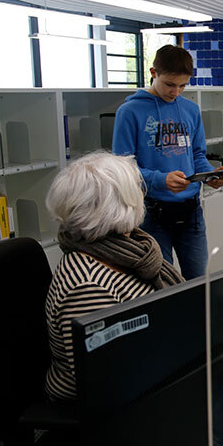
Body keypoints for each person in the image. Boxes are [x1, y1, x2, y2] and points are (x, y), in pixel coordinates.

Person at [44, 152, 185, 400]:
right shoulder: (87, 284)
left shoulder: (132, 249)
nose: (141, 197)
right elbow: (109, 381)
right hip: (118, 408)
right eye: (135, 191)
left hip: (151, 367)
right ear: (120, 205)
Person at [113, 44, 223, 281]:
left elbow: (197, 154)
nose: (176, 92)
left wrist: (209, 175)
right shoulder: (130, 111)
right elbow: (122, 168)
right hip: (151, 212)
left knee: (199, 280)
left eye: (183, 86)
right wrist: (159, 180)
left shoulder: (191, 109)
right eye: (169, 84)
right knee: (163, 283)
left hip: (191, 210)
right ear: (153, 73)